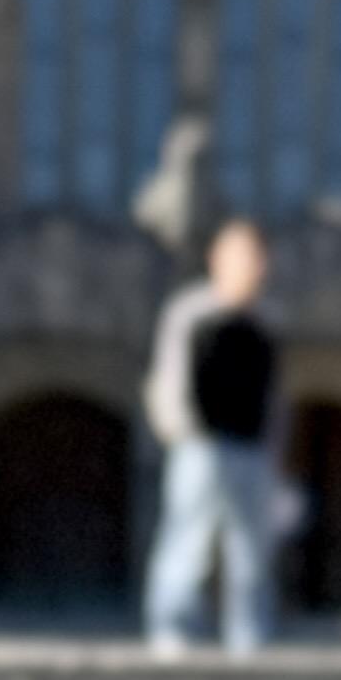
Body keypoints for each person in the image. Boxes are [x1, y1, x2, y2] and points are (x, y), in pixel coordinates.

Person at [140, 218, 285, 654]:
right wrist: (180, 432)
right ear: (217, 259)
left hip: (251, 449)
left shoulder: (267, 322)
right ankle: (172, 628)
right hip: (200, 446)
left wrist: (273, 446)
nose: (249, 266)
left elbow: (274, 394)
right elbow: (169, 379)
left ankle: (248, 634)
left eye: (254, 257)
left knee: (251, 549)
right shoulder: (190, 314)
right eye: (239, 255)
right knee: (187, 539)